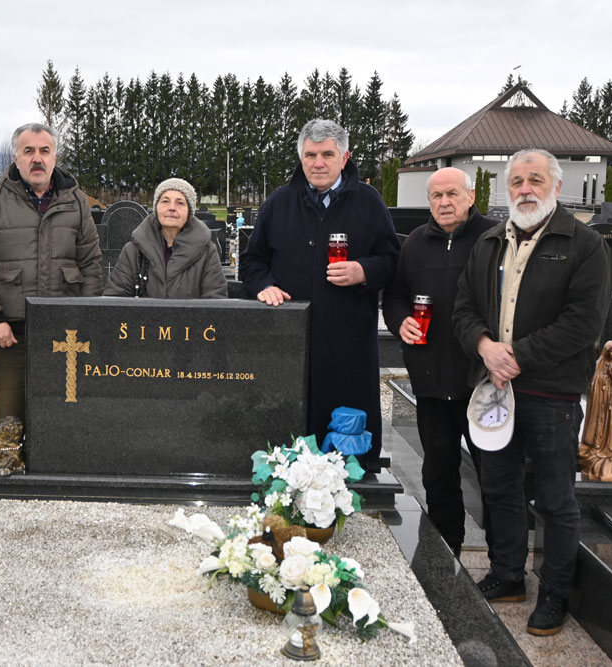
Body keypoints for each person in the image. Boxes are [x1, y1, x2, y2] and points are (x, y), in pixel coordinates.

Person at [454, 148, 612, 636]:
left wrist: (516, 356)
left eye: (535, 180)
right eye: (517, 181)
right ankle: (507, 576)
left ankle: (554, 595)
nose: (525, 189)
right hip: (495, 390)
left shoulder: (584, 245)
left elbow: (583, 322)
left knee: (555, 498)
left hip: (550, 394)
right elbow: (463, 309)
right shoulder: (488, 243)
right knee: (499, 488)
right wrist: (485, 347)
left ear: (556, 187)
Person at [240, 118, 399, 465]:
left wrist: (363, 271)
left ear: (344, 158)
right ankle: (289, 479)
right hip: (289, 340)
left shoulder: (369, 202)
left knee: (346, 437)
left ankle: (347, 480)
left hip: (348, 344)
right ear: (301, 158)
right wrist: (264, 285)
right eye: (310, 155)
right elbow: (252, 261)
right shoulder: (279, 202)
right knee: (289, 431)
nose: (318, 163)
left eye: (327, 154)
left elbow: (391, 260)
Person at [382, 167, 496, 556]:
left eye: (452, 194)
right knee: (438, 474)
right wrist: (401, 321)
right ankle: (446, 557)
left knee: (493, 478)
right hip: (431, 379)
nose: (444, 202)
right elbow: (395, 295)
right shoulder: (416, 242)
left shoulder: (494, 238)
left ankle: (504, 567)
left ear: (471, 196)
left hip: (483, 381)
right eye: (436, 196)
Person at [0, 122, 102, 420]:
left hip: (66, 332)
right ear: (16, 157)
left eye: (44, 151)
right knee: (10, 421)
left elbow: (90, 263)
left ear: (55, 157)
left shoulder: (76, 200)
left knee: (62, 418)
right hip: (11, 334)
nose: (37, 158)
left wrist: (88, 318)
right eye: (28, 151)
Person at [104, 178, 227, 298]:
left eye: (180, 203)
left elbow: (215, 301)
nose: (172, 208)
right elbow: (116, 299)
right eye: (165, 201)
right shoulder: (133, 251)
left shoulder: (207, 252)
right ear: (156, 208)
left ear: (189, 212)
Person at [579, 340, 612, 482]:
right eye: (611, 352)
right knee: (598, 430)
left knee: (611, 431)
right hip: (600, 407)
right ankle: (596, 451)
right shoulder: (598, 365)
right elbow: (593, 383)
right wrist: (603, 382)